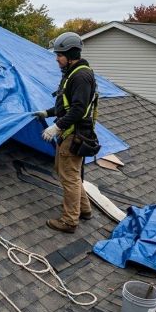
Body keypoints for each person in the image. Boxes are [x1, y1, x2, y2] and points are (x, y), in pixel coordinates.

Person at [35, 32, 97, 233]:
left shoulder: (80, 76)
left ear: (70, 54)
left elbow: (79, 110)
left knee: (69, 177)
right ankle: (84, 210)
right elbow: (66, 105)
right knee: (70, 174)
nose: (56, 58)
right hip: (72, 132)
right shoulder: (73, 73)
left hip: (74, 134)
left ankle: (70, 221)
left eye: (59, 55)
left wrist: (57, 126)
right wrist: (48, 113)